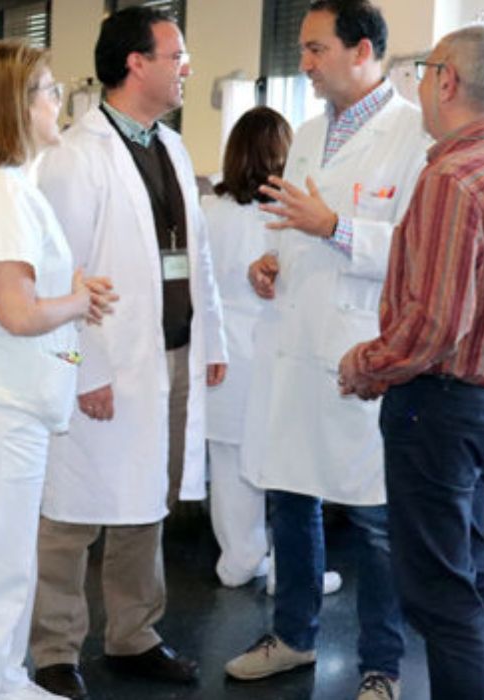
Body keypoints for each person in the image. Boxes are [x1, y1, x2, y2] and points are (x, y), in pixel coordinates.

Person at [224, 2, 428, 698]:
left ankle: (381, 666)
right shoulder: (310, 132)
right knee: (291, 498)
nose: (304, 65)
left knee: (374, 522)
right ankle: (294, 637)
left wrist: (336, 226)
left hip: (359, 354)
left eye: (316, 49)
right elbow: (290, 227)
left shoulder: (415, 135)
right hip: (294, 345)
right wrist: (269, 261)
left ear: (363, 50)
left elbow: (417, 251)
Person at [28, 8, 226, 698]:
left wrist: (213, 339)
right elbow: (59, 276)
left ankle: (133, 634)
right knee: (74, 512)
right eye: (176, 55)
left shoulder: (170, 147)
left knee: (147, 501)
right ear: (136, 63)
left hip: (168, 355)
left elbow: (193, 256)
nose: (186, 68)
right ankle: (54, 648)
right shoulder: (76, 157)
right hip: (104, 362)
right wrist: (89, 370)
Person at [0, 41, 117, 700]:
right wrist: (80, 300)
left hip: (7, 399)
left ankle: (1, 681)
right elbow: (17, 311)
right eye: (47, 89)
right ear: (14, 105)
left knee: (7, 563)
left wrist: (69, 292)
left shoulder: (8, 188)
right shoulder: (3, 194)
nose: (58, 100)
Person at [340, 23, 484, 700]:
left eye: (422, 72)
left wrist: (368, 363)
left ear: (447, 81)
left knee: (442, 599)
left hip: (439, 408)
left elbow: (435, 325)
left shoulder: (453, 177)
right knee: (474, 575)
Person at [202, 106, 291, 588]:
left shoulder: (208, 212)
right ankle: (290, 571)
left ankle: (239, 560)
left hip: (223, 357)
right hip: (272, 353)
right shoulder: (287, 218)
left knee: (231, 463)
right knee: (282, 469)